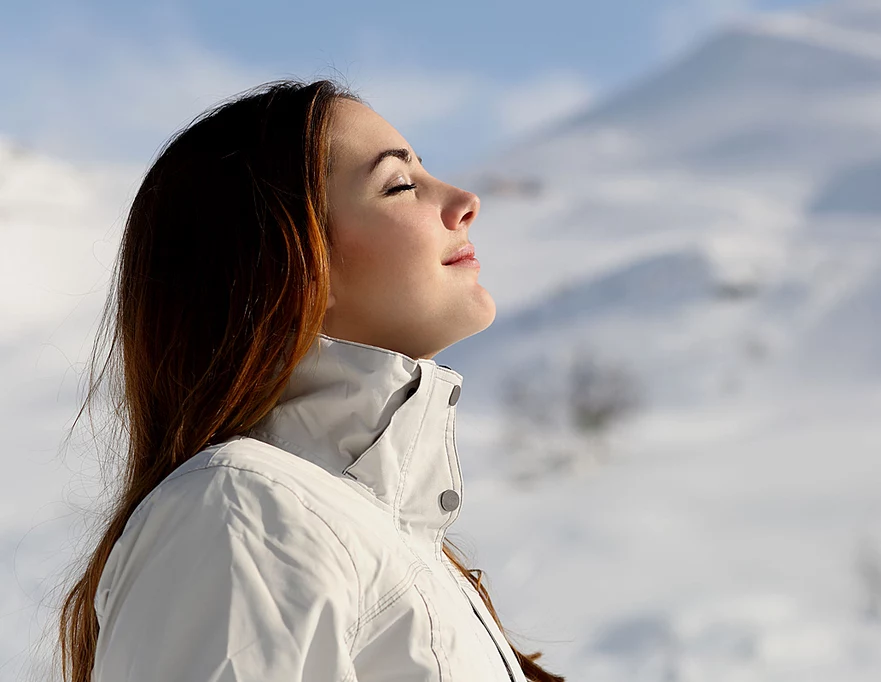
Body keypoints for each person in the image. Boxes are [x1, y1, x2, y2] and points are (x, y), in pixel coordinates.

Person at [56, 78, 565, 682]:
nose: (464, 199)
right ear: (291, 265)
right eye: (399, 185)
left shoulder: (380, 540)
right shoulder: (243, 511)